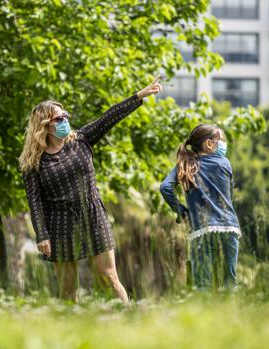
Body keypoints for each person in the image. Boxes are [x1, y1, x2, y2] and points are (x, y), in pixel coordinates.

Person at [19, 77, 162, 302]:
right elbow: (35, 203)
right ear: (45, 125)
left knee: (108, 277)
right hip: (60, 224)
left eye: (66, 115)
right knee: (67, 289)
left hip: (93, 216)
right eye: (59, 118)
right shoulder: (33, 163)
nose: (65, 120)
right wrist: (42, 235)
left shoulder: (81, 140)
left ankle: (128, 320)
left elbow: (109, 117)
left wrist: (139, 96)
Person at [159, 124, 241, 290]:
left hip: (202, 230)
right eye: (221, 141)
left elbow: (165, 187)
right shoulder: (224, 163)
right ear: (209, 144)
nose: (223, 145)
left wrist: (182, 212)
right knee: (229, 283)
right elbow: (229, 197)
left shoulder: (186, 165)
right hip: (229, 227)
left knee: (202, 284)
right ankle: (232, 315)